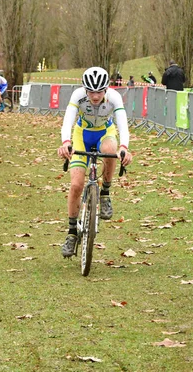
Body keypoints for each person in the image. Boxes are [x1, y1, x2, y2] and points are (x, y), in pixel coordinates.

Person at [57, 66, 133, 258]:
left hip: (105, 133)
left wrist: (124, 147)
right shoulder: (78, 96)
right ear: (85, 89)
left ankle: (105, 192)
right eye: (91, 91)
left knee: (110, 150)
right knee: (76, 185)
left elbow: (122, 123)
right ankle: (72, 233)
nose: (95, 96)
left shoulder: (114, 97)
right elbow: (68, 120)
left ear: (106, 89)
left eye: (99, 91)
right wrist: (66, 143)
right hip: (82, 135)